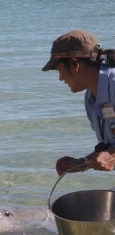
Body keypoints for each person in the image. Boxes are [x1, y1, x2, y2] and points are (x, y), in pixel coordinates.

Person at [42, 30, 115, 176]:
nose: (61, 79)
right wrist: (83, 163)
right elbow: (109, 147)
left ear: (75, 64)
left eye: (59, 70)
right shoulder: (90, 99)